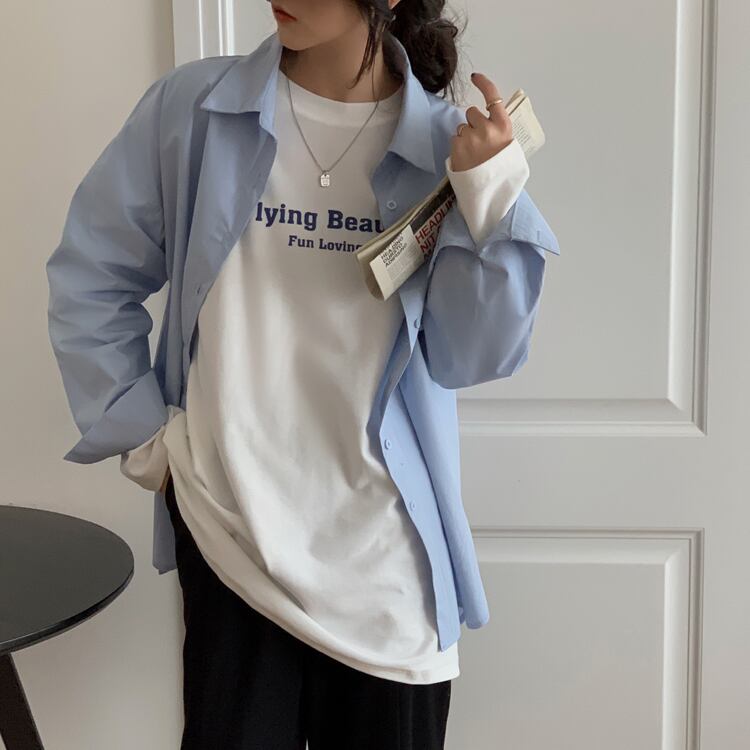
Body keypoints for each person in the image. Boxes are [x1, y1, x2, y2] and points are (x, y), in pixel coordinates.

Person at [46, 0, 561, 747]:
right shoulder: (194, 111)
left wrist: (489, 196)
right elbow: (91, 275)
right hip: (232, 544)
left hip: (387, 576)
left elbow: (474, 355)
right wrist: (148, 443)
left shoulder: (447, 148)